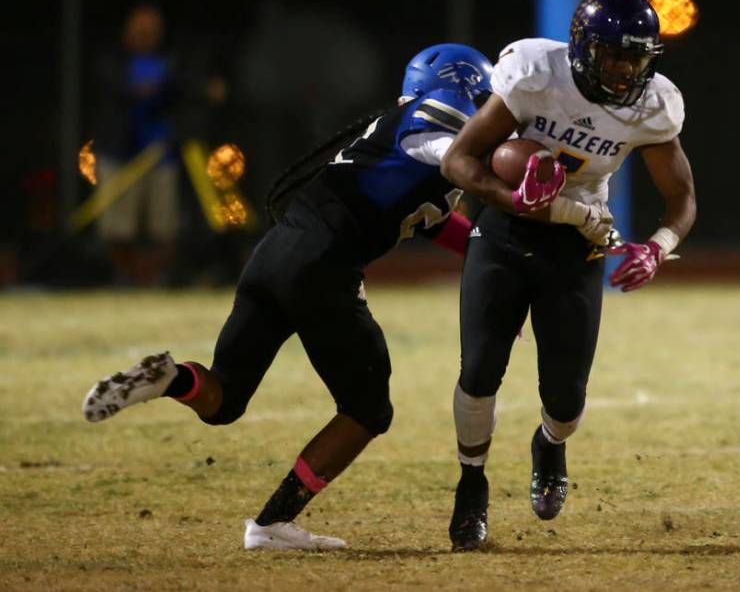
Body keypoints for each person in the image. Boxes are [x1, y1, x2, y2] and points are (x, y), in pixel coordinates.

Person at [81, 44, 511, 552]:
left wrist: (490, 272)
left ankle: (171, 377)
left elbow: (438, 224)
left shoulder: (400, 138)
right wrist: (497, 174)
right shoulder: (433, 121)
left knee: (223, 401)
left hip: (274, 253)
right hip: (324, 262)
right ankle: (272, 522)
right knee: (369, 410)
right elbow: (445, 150)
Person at [439, 0, 698, 551]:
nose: (628, 69)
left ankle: (550, 445)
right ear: (583, 49)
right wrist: (517, 201)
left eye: (637, 57)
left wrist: (656, 245)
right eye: (615, 56)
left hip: (578, 240)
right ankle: (471, 486)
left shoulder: (652, 103)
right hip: (506, 229)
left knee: (566, 397)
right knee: (480, 369)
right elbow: (460, 160)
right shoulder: (535, 72)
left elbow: (682, 199)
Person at [92, 4, 181, 286]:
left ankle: (155, 279)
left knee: (164, 226)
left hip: (161, 154)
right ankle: (126, 278)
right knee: (117, 227)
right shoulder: (112, 61)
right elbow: (110, 93)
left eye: (151, 30)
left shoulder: (172, 61)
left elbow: (185, 94)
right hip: (120, 153)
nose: (145, 35)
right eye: (140, 29)